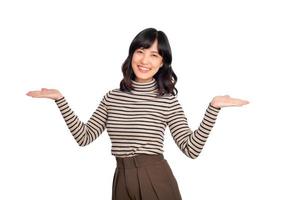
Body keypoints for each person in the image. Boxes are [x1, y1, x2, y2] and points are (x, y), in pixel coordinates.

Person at [26, 27, 249, 200]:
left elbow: (191, 149)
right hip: (121, 179)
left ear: (162, 63)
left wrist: (213, 108)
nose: (144, 61)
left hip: (155, 177)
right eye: (140, 51)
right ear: (132, 54)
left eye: (154, 55)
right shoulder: (112, 97)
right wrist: (60, 100)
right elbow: (84, 137)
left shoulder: (167, 100)